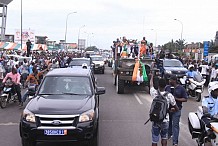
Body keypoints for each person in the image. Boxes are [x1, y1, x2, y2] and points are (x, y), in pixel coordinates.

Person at [150, 74, 178, 146]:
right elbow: (176, 108)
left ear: (158, 85)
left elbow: (151, 86)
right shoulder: (169, 95)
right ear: (166, 86)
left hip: (155, 119)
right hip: (165, 120)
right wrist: (170, 110)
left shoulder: (154, 93)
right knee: (164, 138)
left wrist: (152, 77)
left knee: (154, 140)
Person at [165, 75, 188, 146]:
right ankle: (169, 136)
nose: (169, 81)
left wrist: (175, 99)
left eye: (170, 80)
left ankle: (175, 142)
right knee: (169, 124)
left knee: (175, 125)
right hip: (168, 110)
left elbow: (185, 99)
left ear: (174, 81)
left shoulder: (181, 89)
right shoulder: (167, 87)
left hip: (177, 110)